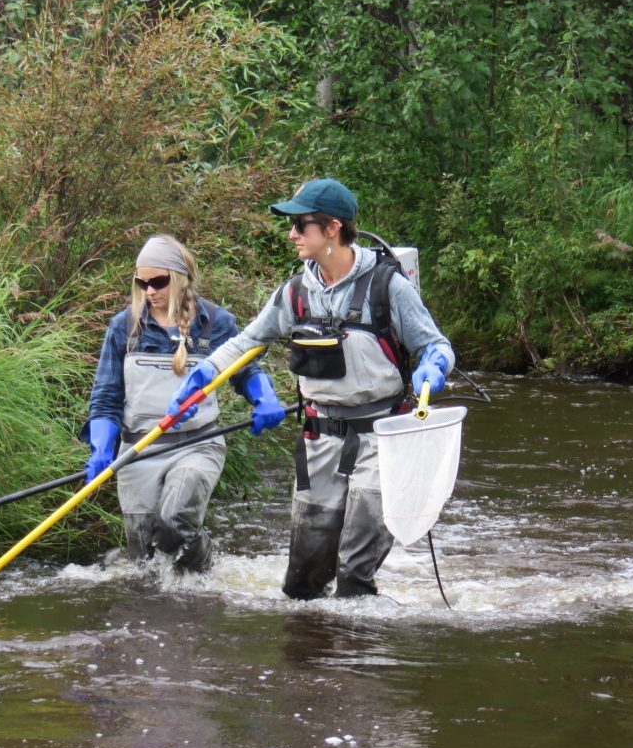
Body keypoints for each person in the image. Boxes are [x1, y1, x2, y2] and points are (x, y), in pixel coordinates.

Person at [167, 179, 455, 599]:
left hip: (382, 439)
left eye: (301, 226)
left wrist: (435, 365)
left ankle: (356, 659)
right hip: (319, 438)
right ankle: (313, 660)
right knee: (302, 586)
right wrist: (203, 375)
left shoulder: (387, 286)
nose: (292, 235)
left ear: (333, 228)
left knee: (355, 575)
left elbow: (436, 344)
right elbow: (247, 342)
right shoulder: (294, 293)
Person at [83, 234, 286, 572]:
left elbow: (243, 370)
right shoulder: (124, 327)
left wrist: (263, 399)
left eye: (159, 282)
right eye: (142, 282)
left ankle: (205, 577)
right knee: (146, 561)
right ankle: (180, 602)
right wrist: (101, 449)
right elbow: (106, 397)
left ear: (180, 279)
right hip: (137, 450)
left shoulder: (215, 322)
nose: (149, 291)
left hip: (197, 444)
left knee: (174, 520)